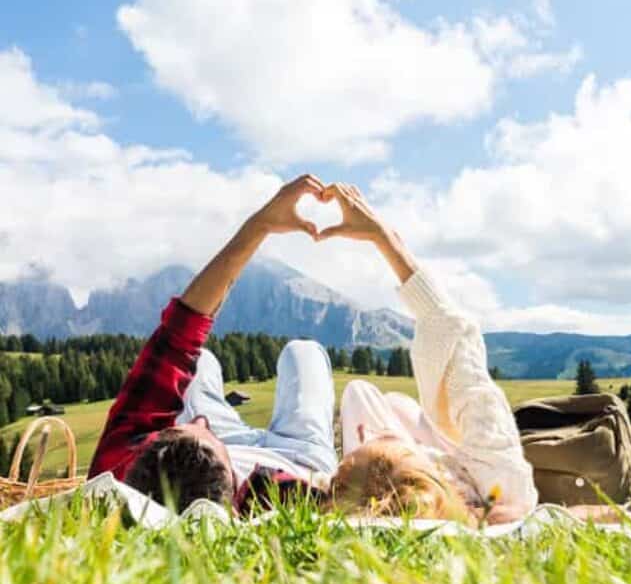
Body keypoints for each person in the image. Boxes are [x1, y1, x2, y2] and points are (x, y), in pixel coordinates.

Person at [88, 175, 338, 513]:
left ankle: (209, 439)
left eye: (179, 427)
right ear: (235, 491)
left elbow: (178, 335)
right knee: (303, 352)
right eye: (201, 428)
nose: (201, 419)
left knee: (199, 359)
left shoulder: (117, 467)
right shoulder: (282, 497)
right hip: (297, 456)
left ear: (146, 446)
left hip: (226, 444)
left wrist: (259, 225)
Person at [315, 183, 538, 525]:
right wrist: (384, 238)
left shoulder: (433, 500)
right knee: (388, 404)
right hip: (464, 466)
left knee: (364, 394)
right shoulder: (498, 483)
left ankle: (387, 443)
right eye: (400, 449)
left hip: (424, 473)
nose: (381, 437)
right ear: (432, 475)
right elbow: (455, 331)